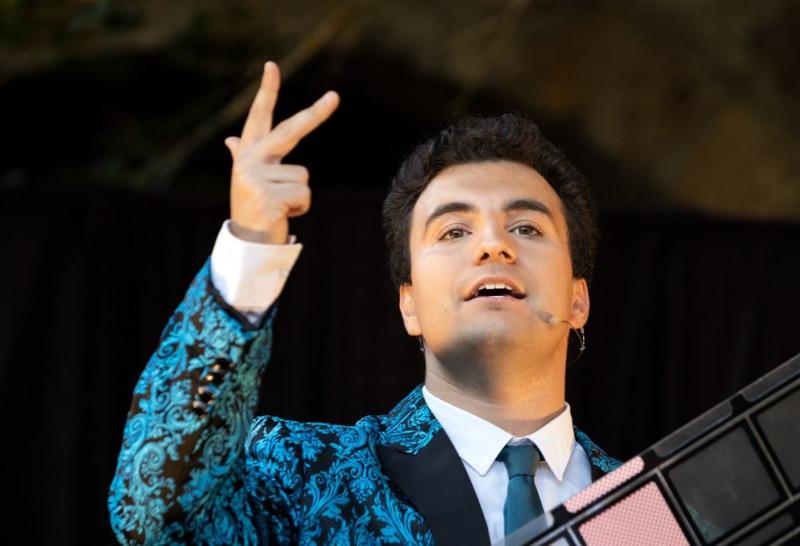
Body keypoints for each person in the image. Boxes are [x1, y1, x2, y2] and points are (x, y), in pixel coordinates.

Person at [108, 60, 621, 546]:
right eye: (453, 231)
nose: (493, 245)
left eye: (527, 227)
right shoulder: (305, 473)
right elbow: (156, 518)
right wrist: (251, 248)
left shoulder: (646, 506)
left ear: (578, 300)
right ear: (409, 305)